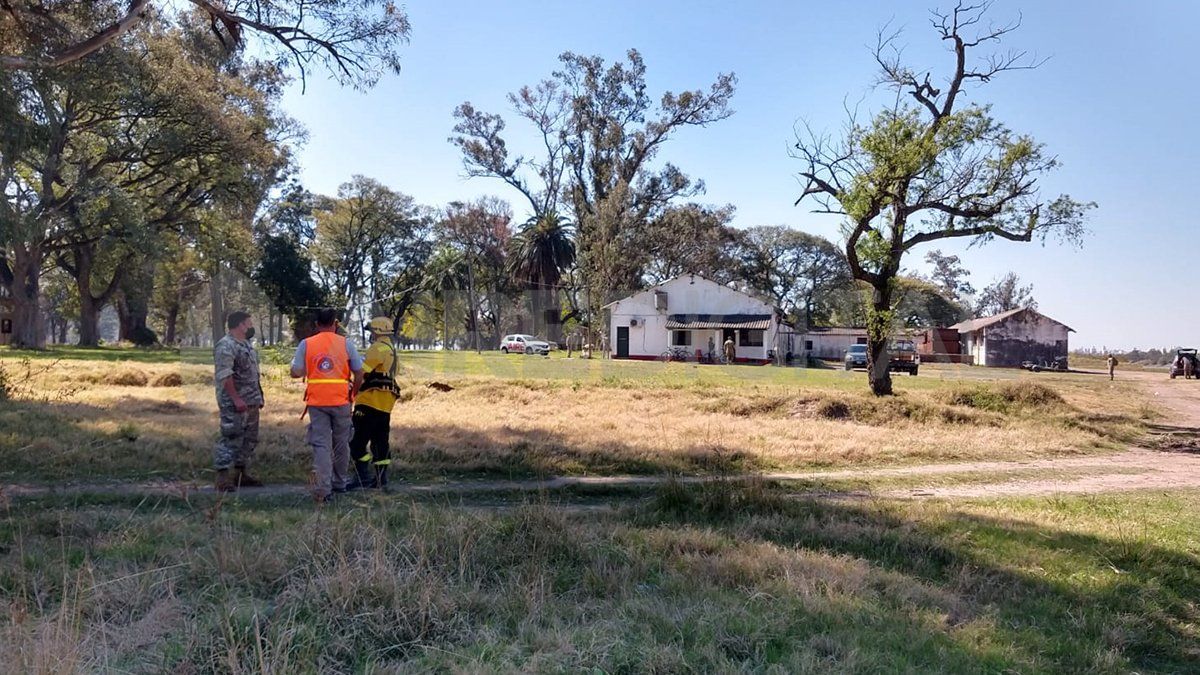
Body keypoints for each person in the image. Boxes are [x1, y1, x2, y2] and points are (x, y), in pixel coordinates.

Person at [290, 308, 364, 502]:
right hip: (341, 401)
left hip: (317, 402)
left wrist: (308, 368)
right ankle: (340, 484)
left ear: (316, 325)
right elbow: (359, 372)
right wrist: (353, 393)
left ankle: (324, 489)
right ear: (336, 324)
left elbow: (296, 371)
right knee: (341, 444)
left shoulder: (306, 344)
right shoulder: (346, 344)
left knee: (321, 445)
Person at [213, 311, 264, 492]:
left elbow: (253, 374)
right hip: (234, 402)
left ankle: (241, 473)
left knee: (249, 439)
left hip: (251, 400)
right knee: (231, 436)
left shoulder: (247, 345)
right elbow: (225, 375)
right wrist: (236, 398)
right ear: (240, 325)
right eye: (249, 323)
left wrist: (258, 397)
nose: (251, 326)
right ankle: (222, 477)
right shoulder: (226, 346)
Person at [348, 317, 402, 489]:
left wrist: (352, 391)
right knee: (380, 441)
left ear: (377, 331)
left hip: (369, 402)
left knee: (357, 442)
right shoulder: (392, 350)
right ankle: (380, 479)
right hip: (385, 405)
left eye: (371, 330)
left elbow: (361, 373)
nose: (370, 333)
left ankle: (361, 476)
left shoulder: (376, 348)